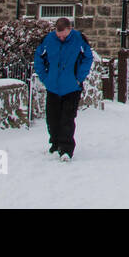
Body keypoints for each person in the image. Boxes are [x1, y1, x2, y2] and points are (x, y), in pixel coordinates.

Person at [33, 17, 94, 161]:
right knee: (52, 118)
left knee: (67, 119)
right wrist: (45, 78)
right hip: (53, 86)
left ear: (69, 29)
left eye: (64, 35)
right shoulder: (48, 40)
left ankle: (66, 149)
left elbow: (88, 58)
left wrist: (78, 78)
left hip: (72, 87)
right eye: (58, 35)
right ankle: (55, 145)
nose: (61, 38)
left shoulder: (79, 40)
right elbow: (38, 58)